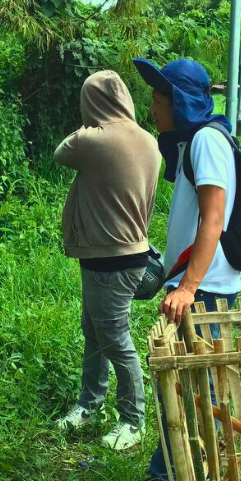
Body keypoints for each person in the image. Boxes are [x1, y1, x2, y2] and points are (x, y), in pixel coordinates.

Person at [129, 57, 241, 481]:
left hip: (207, 290)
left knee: (199, 393)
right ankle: (166, 478)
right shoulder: (195, 141)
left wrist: (189, 287)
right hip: (199, 285)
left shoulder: (207, 143)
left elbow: (214, 219)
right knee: (180, 388)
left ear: (180, 102)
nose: (153, 107)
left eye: (159, 99)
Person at [53, 70, 162, 450]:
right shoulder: (149, 140)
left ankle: (133, 421)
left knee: (114, 338)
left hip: (107, 256)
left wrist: (90, 122)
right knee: (95, 332)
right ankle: (90, 403)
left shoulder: (91, 140)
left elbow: (60, 153)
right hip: (134, 253)